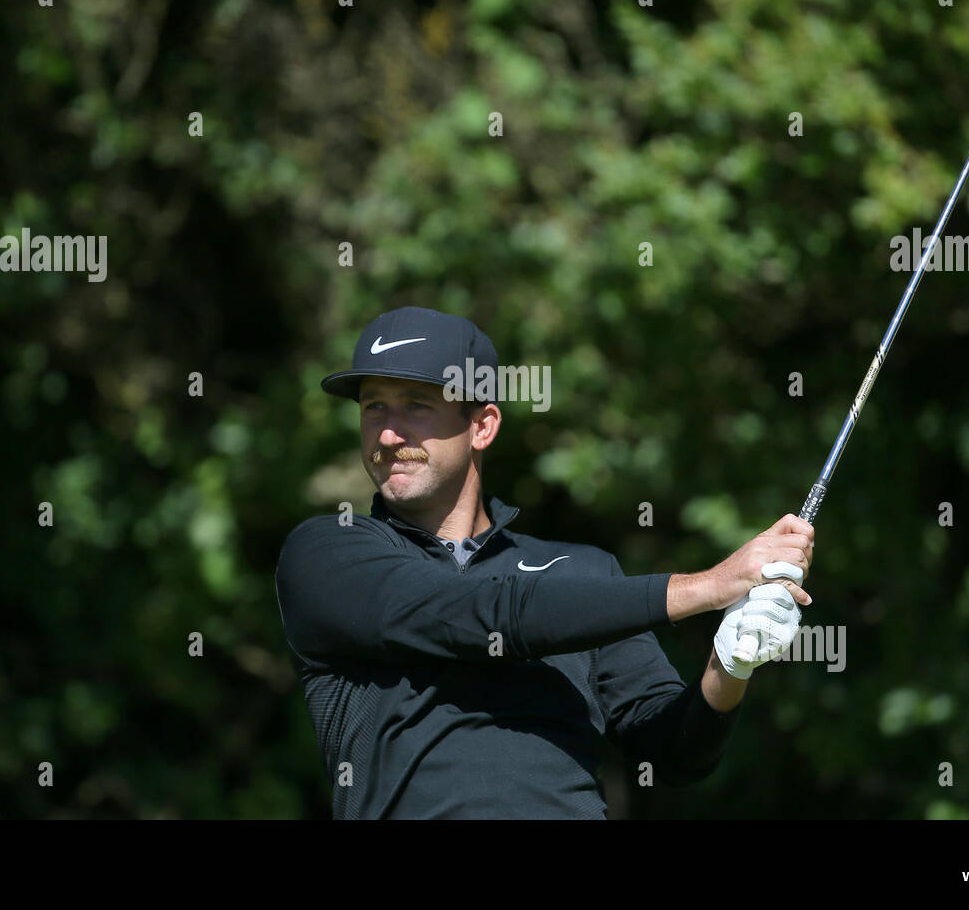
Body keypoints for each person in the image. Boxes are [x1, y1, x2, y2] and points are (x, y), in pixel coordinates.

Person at [275, 306, 815, 818]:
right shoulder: (329, 554)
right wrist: (708, 586)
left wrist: (730, 667)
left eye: (417, 404)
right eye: (374, 407)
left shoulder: (582, 574)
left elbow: (671, 754)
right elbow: (484, 613)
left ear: (482, 425)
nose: (389, 434)